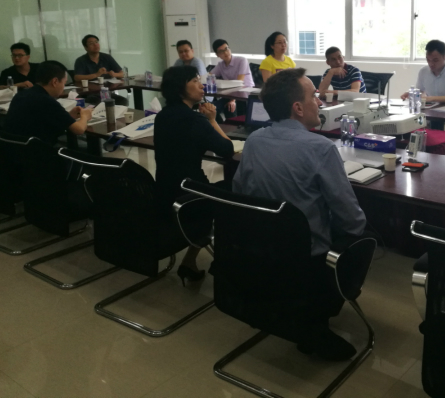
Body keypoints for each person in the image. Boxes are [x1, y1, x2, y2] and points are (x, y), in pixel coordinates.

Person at [233, 68, 367, 361]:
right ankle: (319, 315)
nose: (319, 102)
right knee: (364, 236)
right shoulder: (321, 148)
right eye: (314, 97)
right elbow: (351, 218)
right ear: (298, 108)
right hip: (308, 261)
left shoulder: (254, 141)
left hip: (260, 251)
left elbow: (239, 191)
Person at [155, 65, 234, 283]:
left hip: (163, 192)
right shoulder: (194, 120)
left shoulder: (162, 116)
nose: (202, 86)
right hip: (192, 194)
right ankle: (227, 260)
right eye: (195, 81)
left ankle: (189, 261)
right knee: (232, 191)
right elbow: (227, 149)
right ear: (180, 88)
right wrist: (212, 120)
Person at [4, 61, 92, 145]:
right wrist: (85, 116)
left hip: (13, 146)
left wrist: (69, 116)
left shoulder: (22, 94)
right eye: (64, 83)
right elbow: (79, 130)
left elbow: (43, 119)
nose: (63, 87)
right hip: (34, 150)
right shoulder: (46, 101)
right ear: (55, 82)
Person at [209, 39, 254, 115]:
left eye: (226, 49)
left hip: (245, 94)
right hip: (230, 95)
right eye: (221, 51)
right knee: (210, 109)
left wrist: (233, 100)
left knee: (230, 106)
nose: (225, 52)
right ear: (217, 55)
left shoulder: (242, 60)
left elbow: (239, 83)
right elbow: (209, 76)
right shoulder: (221, 65)